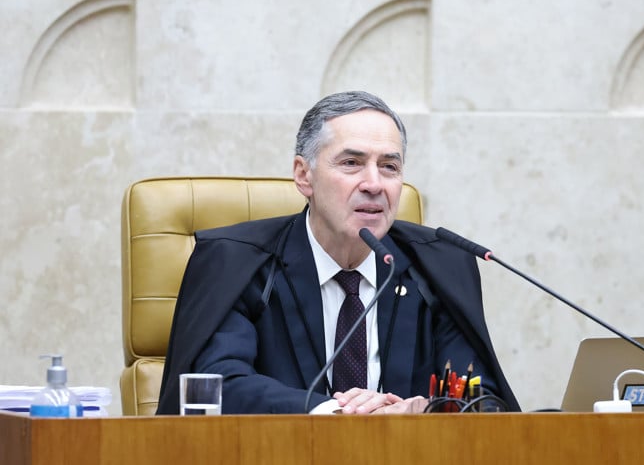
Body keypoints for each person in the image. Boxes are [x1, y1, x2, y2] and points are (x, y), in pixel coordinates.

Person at [156, 91, 519, 414]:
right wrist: (336, 412)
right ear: (304, 175)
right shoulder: (236, 263)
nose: (374, 184)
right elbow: (217, 386)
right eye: (351, 163)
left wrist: (428, 410)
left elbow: (481, 398)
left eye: (389, 167)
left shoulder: (439, 266)